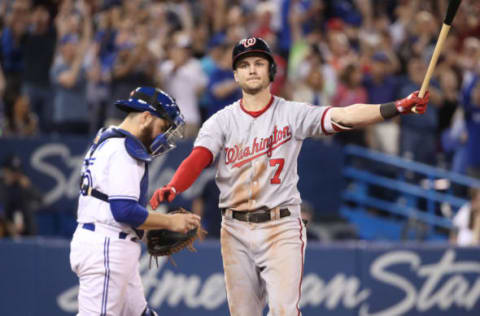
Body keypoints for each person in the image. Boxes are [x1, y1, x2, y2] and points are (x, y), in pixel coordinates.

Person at [149, 37, 430, 316]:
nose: (252, 69)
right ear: (235, 74)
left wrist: (398, 106)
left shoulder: (292, 113)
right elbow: (199, 157)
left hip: (280, 225)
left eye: (259, 63)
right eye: (244, 64)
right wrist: (174, 186)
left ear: (271, 70)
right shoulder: (221, 121)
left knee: (284, 311)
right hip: (234, 228)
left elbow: (345, 115)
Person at [69, 86, 201, 316]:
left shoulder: (107, 136)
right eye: (162, 127)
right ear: (146, 117)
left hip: (107, 241)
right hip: (107, 245)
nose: (163, 136)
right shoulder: (124, 149)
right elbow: (124, 211)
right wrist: (169, 222)